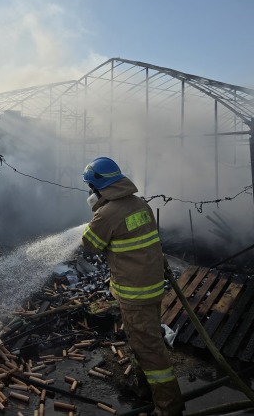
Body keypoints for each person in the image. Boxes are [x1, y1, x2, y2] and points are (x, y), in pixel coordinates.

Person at [81, 157, 184, 416]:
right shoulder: (140, 204)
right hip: (151, 287)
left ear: (97, 187)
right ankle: (143, 388)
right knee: (142, 341)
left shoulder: (107, 214)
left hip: (134, 294)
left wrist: (96, 212)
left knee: (150, 350)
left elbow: (90, 244)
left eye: (91, 188)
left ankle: (169, 407)